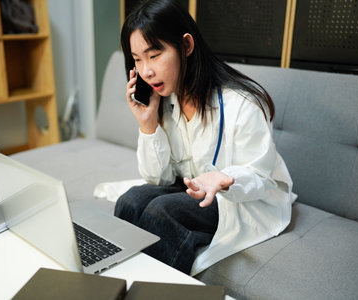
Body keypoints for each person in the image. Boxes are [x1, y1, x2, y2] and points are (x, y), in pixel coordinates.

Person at [114, 0, 296, 275]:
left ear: (186, 46)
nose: (146, 71)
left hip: (243, 198)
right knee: (131, 201)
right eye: (137, 60)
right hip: (194, 187)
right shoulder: (165, 100)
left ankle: (152, 289)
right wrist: (148, 125)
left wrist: (227, 179)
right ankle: (116, 280)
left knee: (163, 210)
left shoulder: (241, 104)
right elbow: (157, 179)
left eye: (154, 55)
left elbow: (260, 179)